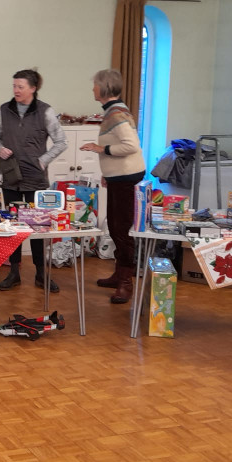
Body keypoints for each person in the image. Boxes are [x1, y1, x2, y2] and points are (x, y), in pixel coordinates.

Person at [0, 68, 68, 292]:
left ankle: (41, 274)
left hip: (36, 179)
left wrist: (43, 161)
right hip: (10, 176)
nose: (16, 90)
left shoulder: (45, 112)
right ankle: (14, 272)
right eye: (14, 86)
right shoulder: (4, 110)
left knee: (38, 226)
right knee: (12, 226)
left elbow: (61, 141)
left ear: (33, 89)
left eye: (20, 86)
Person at [79, 68, 146, 304]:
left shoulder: (116, 113)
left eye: (95, 84)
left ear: (105, 87)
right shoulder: (113, 111)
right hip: (120, 176)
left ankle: (126, 281)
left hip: (127, 177)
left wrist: (101, 149)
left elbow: (131, 146)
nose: (93, 88)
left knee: (122, 229)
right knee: (117, 227)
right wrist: (109, 172)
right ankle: (120, 274)